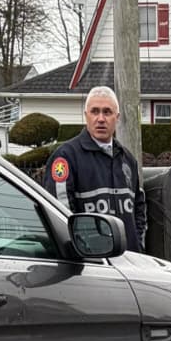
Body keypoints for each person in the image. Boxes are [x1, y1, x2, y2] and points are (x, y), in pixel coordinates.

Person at [42, 86, 148, 252]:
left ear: (117, 117)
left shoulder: (127, 160)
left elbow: (139, 209)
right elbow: (60, 214)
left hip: (128, 260)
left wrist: (138, 246)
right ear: (86, 115)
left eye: (107, 112)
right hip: (90, 262)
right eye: (95, 111)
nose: (101, 119)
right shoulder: (66, 158)